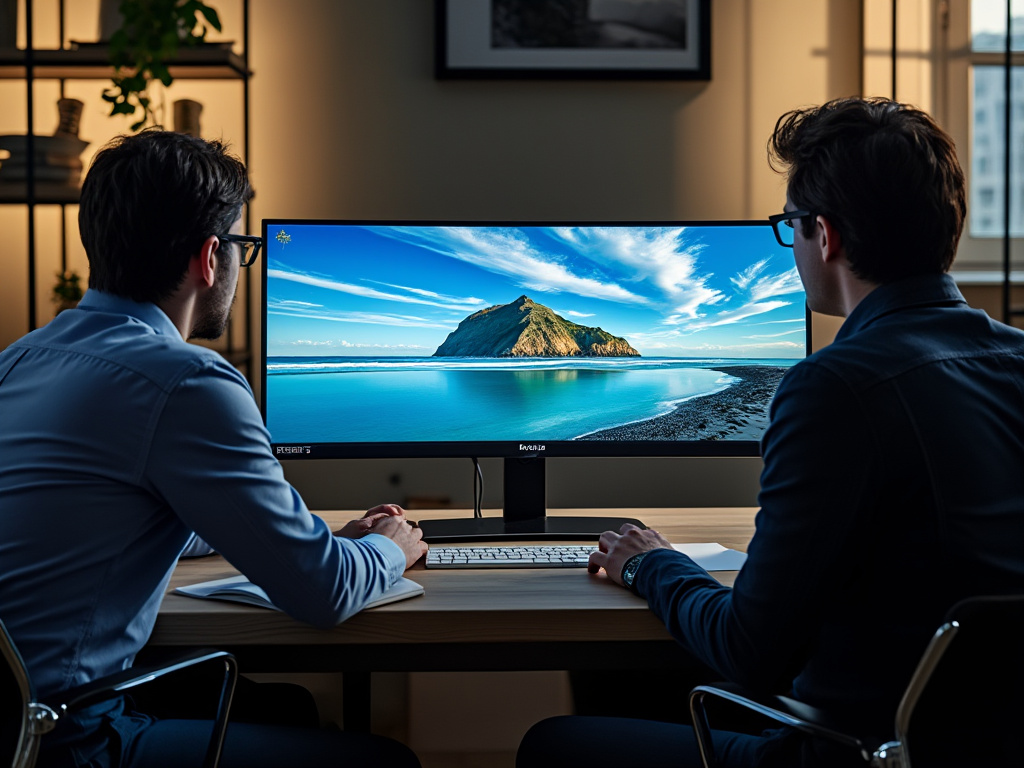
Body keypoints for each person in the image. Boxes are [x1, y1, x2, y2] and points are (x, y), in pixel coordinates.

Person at [517, 96, 1024, 767]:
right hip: (990, 738)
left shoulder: (834, 388)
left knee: (553, 745)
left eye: (789, 228)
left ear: (824, 234)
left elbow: (749, 651)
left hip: (857, 752)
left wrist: (646, 560)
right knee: (618, 677)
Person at [0, 130, 426, 768]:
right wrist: (388, 547)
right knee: (385, 763)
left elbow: (102, 512)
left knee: (285, 709)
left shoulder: (21, 359)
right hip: (66, 739)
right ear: (209, 257)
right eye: (242, 248)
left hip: (15, 714)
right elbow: (326, 592)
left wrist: (243, 525)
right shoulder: (187, 381)